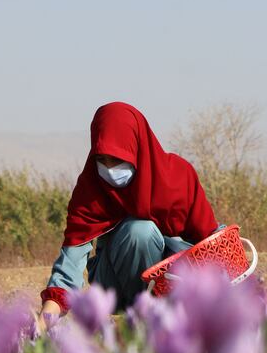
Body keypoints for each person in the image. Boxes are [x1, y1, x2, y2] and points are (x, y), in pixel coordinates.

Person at [39, 102, 221, 318]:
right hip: (112, 286)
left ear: (138, 147)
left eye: (117, 160)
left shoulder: (179, 178)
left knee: (165, 241)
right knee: (138, 232)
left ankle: (169, 311)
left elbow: (211, 240)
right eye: (101, 160)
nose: (109, 169)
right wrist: (44, 321)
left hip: (171, 280)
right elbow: (70, 264)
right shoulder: (90, 190)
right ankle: (145, 315)